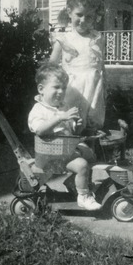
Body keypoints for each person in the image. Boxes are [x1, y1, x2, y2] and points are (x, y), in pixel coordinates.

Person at [28, 64, 101, 211]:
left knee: (91, 155)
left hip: (63, 150)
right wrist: (60, 118)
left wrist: (76, 125)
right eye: (56, 87)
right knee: (81, 165)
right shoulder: (39, 110)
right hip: (50, 156)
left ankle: (73, 183)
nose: (61, 92)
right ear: (41, 89)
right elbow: (40, 131)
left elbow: (70, 130)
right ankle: (83, 196)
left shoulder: (63, 106)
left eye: (64, 88)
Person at [49, 0, 106, 133]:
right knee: (72, 123)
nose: (83, 20)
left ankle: (90, 152)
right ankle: (72, 151)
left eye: (89, 17)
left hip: (94, 87)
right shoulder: (63, 40)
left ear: (95, 18)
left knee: (92, 123)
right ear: (69, 12)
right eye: (79, 15)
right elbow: (51, 67)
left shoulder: (97, 39)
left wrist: (105, 86)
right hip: (72, 88)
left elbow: (101, 65)